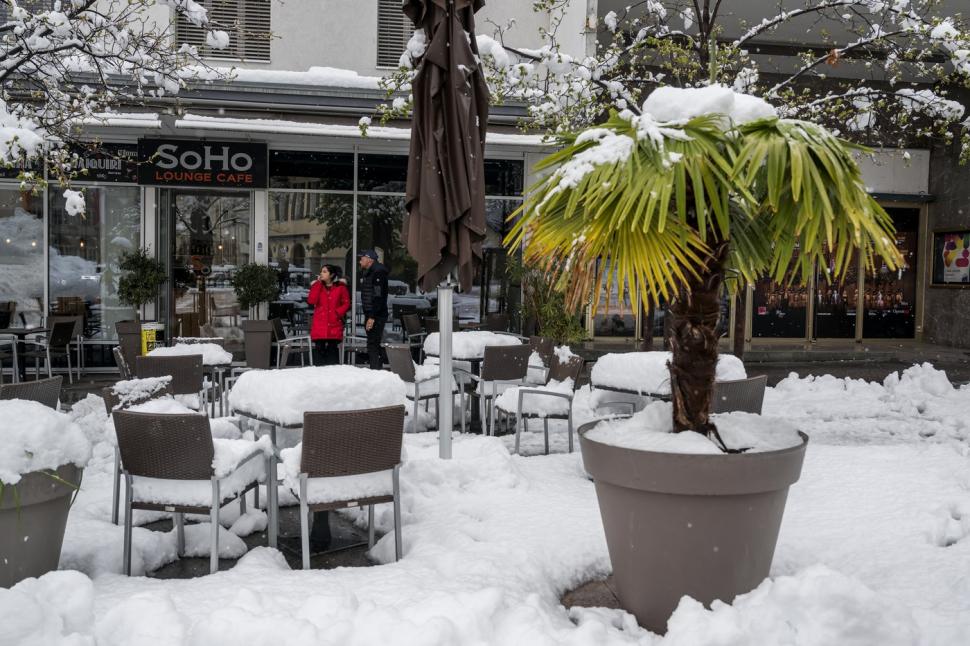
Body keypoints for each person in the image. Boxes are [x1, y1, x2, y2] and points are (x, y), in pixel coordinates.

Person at [307, 264, 350, 366]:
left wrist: (337, 313)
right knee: (319, 351)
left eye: (325, 271)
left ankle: (333, 379)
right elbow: (311, 300)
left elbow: (346, 303)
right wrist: (318, 284)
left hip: (334, 324)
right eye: (321, 271)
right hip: (320, 325)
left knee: (332, 353)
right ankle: (319, 378)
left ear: (332, 275)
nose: (321, 273)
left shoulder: (341, 287)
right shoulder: (317, 286)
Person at [358, 249, 389, 369]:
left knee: (372, 344)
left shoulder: (378, 273)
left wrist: (372, 317)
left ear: (369, 260)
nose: (360, 261)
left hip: (376, 314)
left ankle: (375, 370)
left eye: (362, 258)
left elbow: (378, 296)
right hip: (372, 313)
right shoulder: (371, 272)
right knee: (373, 343)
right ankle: (378, 366)